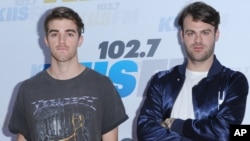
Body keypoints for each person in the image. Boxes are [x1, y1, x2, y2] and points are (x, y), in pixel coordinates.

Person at [8, 6, 128, 141]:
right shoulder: (28, 90)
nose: (61, 40)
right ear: (46, 41)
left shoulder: (102, 86)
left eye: (69, 34)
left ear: (80, 40)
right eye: (54, 34)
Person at [137, 1, 249, 141]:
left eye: (205, 32)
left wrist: (176, 124)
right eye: (191, 33)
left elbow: (227, 132)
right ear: (182, 36)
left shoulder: (233, 81)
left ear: (216, 34)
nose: (198, 40)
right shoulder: (162, 81)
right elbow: (145, 131)